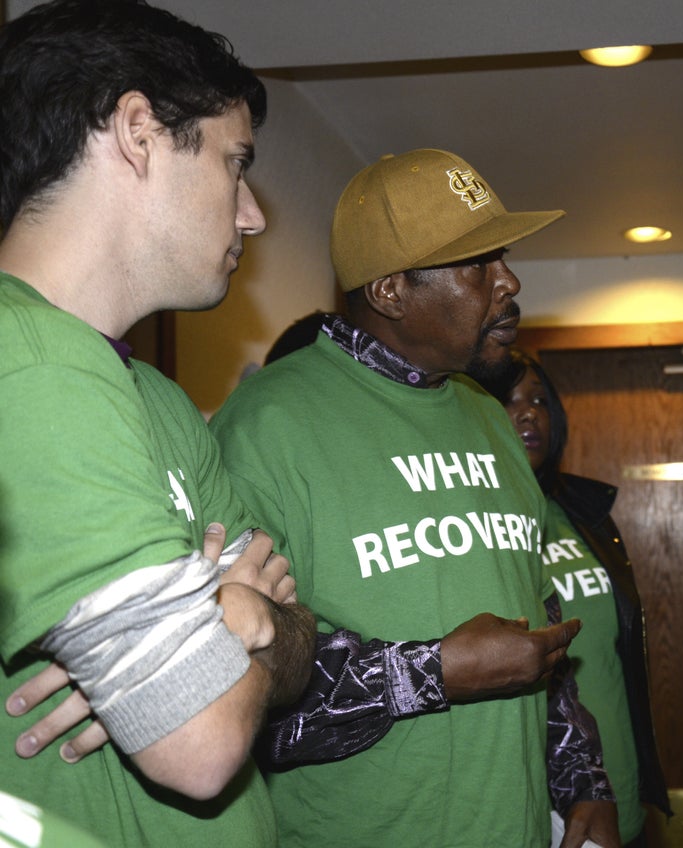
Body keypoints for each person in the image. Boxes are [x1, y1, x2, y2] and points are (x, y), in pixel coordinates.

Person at [208, 148, 621, 848]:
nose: (510, 281)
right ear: (392, 290)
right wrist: (434, 673)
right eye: (479, 264)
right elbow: (236, 692)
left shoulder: (488, 416)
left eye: (504, 258)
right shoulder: (264, 424)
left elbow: (540, 629)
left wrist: (582, 779)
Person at [0, 2, 316, 845]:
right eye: (233, 163)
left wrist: (246, 623)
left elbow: (297, 630)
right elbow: (202, 742)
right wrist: (231, 614)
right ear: (139, 131)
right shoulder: (25, 365)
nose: (250, 214)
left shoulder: (157, 397)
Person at [477, 348, 673, 848]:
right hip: (544, 798)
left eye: (540, 400)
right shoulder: (473, 527)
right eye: (509, 399)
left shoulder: (583, 514)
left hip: (619, 778)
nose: (529, 412)